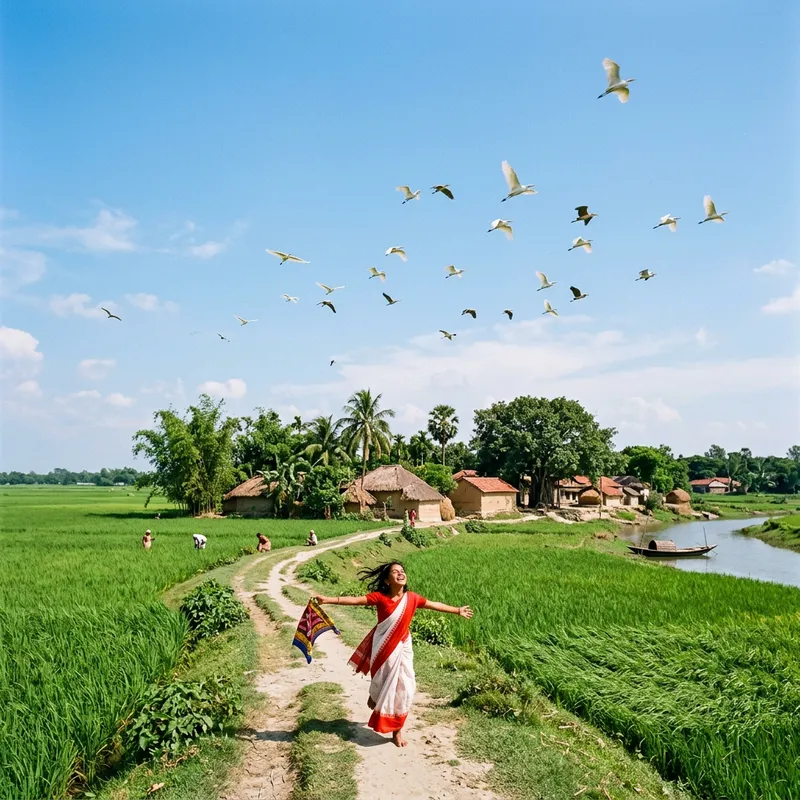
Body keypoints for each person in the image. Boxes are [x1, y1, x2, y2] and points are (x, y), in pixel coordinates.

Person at [314, 561, 472, 748]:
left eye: (402, 571)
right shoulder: (380, 598)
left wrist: (457, 610)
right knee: (382, 681)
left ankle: (397, 730)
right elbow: (356, 600)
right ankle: (375, 695)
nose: (400, 574)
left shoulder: (412, 598)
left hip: (403, 646)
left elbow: (432, 604)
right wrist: (328, 600)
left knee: (404, 687)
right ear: (387, 581)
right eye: (395, 572)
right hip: (383, 647)